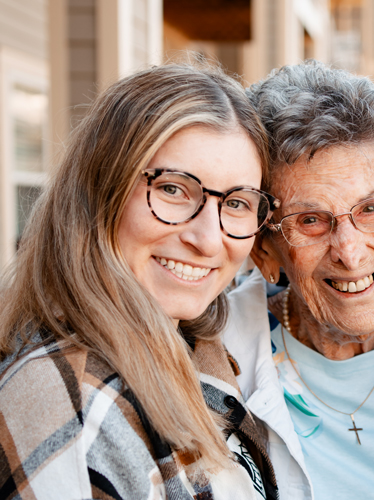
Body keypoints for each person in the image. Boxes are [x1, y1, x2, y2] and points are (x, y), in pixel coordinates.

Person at [0, 63, 280, 499]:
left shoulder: (193, 350)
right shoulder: (75, 412)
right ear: (99, 191)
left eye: (239, 202)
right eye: (172, 189)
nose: (209, 239)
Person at [223, 60, 374, 500]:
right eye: (311, 220)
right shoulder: (216, 359)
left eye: (371, 209)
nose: (350, 252)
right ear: (264, 250)